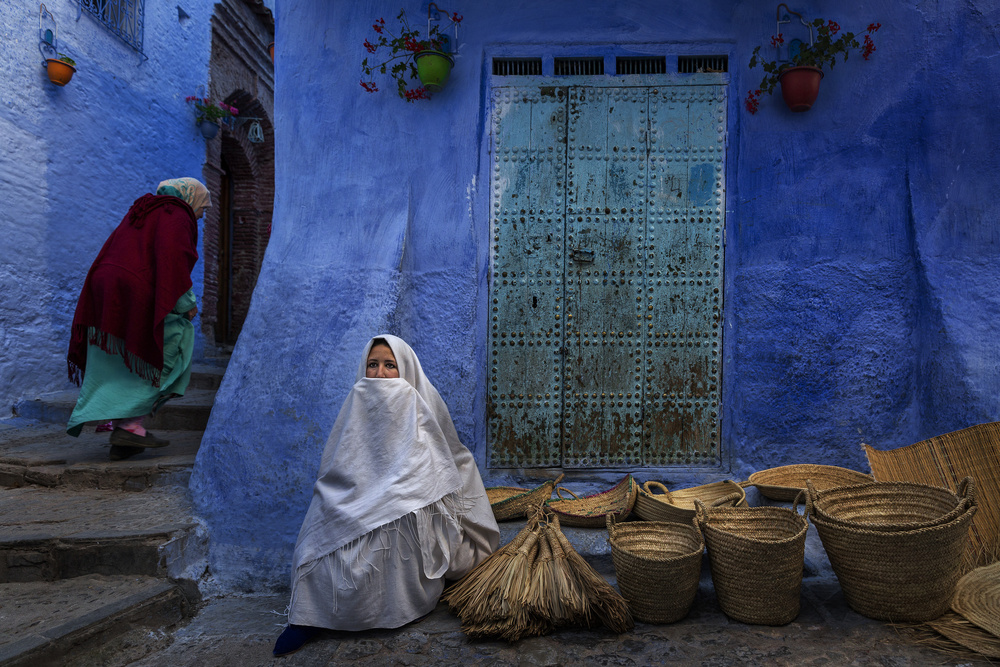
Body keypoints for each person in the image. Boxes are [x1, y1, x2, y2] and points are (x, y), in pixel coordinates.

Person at [273, 335, 500, 657]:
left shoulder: (419, 401)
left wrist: (404, 493)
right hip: (352, 498)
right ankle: (308, 619)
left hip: (408, 505)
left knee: (401, 522)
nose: (379, 374)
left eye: (390, 365)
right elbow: (339, 463)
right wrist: (352, 499)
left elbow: (448, 457)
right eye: (373, 365)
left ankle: (398, 607)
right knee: (316, 537)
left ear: (405, 369)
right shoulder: (356, 400)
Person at [66, 178, 210, 461]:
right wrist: (187, 304)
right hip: (133, 288)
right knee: (173, 344)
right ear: (190, 197)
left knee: (117, 359)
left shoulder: (146, 210)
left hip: (107, 286)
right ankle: (130, 425)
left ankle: (125, 432)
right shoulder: (177, 214)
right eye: (203, 207)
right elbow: (173, 262)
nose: (202, 215)